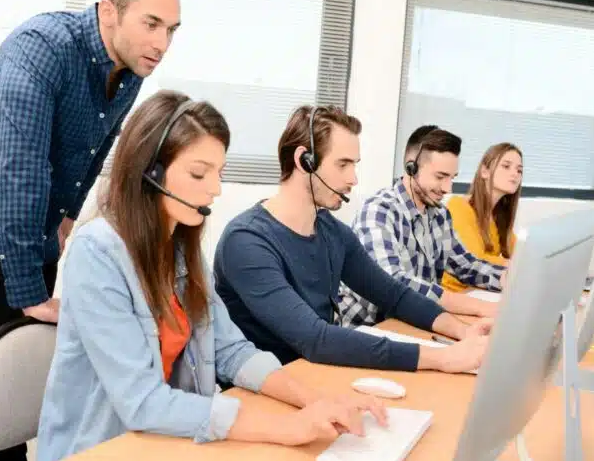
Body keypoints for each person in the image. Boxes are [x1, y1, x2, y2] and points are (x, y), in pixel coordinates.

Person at [36, 91, 387, 461]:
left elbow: (231, 350)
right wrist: (286, 428)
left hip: (173, 441)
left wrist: (317, 401)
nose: (215, 189)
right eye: (199, 173)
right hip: (107, 450)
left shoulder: (181, 248)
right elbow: (141, 401)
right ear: (150, 171)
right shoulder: (98, 253)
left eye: (218, 173)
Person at [0, 0, 179, 461]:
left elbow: (95, 148)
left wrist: (66, 218)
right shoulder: (41, 47)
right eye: (151, 24)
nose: (162, 42)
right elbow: (19, 168)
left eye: (171, 29)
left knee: (33, 375)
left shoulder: (129, 67)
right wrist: (29, 292)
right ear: (109, 11)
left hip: (34, 220)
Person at [213, 106, 490, 375]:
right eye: (343, 164)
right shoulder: (247, 241)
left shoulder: (332, 232)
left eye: (354, 165)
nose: (353, 178)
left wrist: (463, 333)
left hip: (319, 374)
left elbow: (395, 295)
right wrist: (442, 358)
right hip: (269, 390)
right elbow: (314, 338)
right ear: (304, 160)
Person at [338, 126, 507, 328]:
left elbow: (466, 265)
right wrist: (478, 306)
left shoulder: (439, 215)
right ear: (411, 168)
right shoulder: (379, 211)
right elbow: (394, 285)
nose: (447, 188)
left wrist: (507, 279)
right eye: (440, 177)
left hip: (413, 323)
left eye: (451, 178)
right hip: (370, 328)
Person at [442, 143, 523, 293]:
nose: (515, 174)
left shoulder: (499, 219)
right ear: (484, 172)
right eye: (506, 166)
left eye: (519, 170)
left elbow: (522, 254)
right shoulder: (459, 206)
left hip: (481, 292)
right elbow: (474, 260)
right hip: (456, 294)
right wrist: (515, 265)